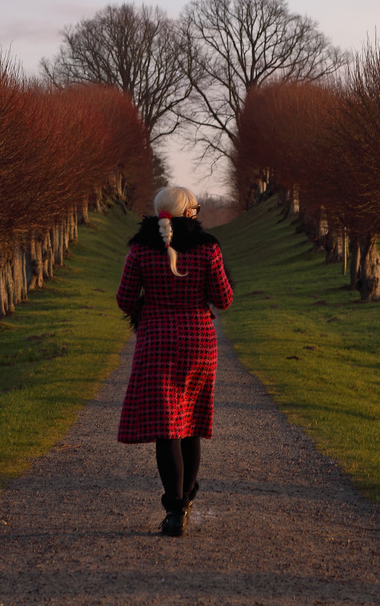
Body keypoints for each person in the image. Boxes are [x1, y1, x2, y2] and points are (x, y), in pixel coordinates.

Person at [116, 185, 233, 537]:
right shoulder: (208, 249)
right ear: (190, 213)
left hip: (157, 344)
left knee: (167, 427)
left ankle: (173, 510)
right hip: (199, 342)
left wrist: (147, 314)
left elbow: (124, 298)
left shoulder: (139, 249)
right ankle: (187, 496)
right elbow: (223, 299)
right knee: (191, 423)